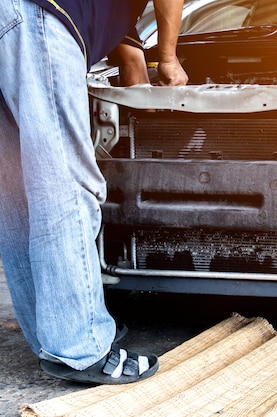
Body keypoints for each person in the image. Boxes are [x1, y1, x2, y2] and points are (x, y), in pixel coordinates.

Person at [0, 0, 188, 384]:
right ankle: (81, 346)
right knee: (66, 185)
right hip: (39, 16)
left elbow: (134, 71)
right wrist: (168, 57)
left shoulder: (117, 20)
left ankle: (53, 336)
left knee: (17, 196)